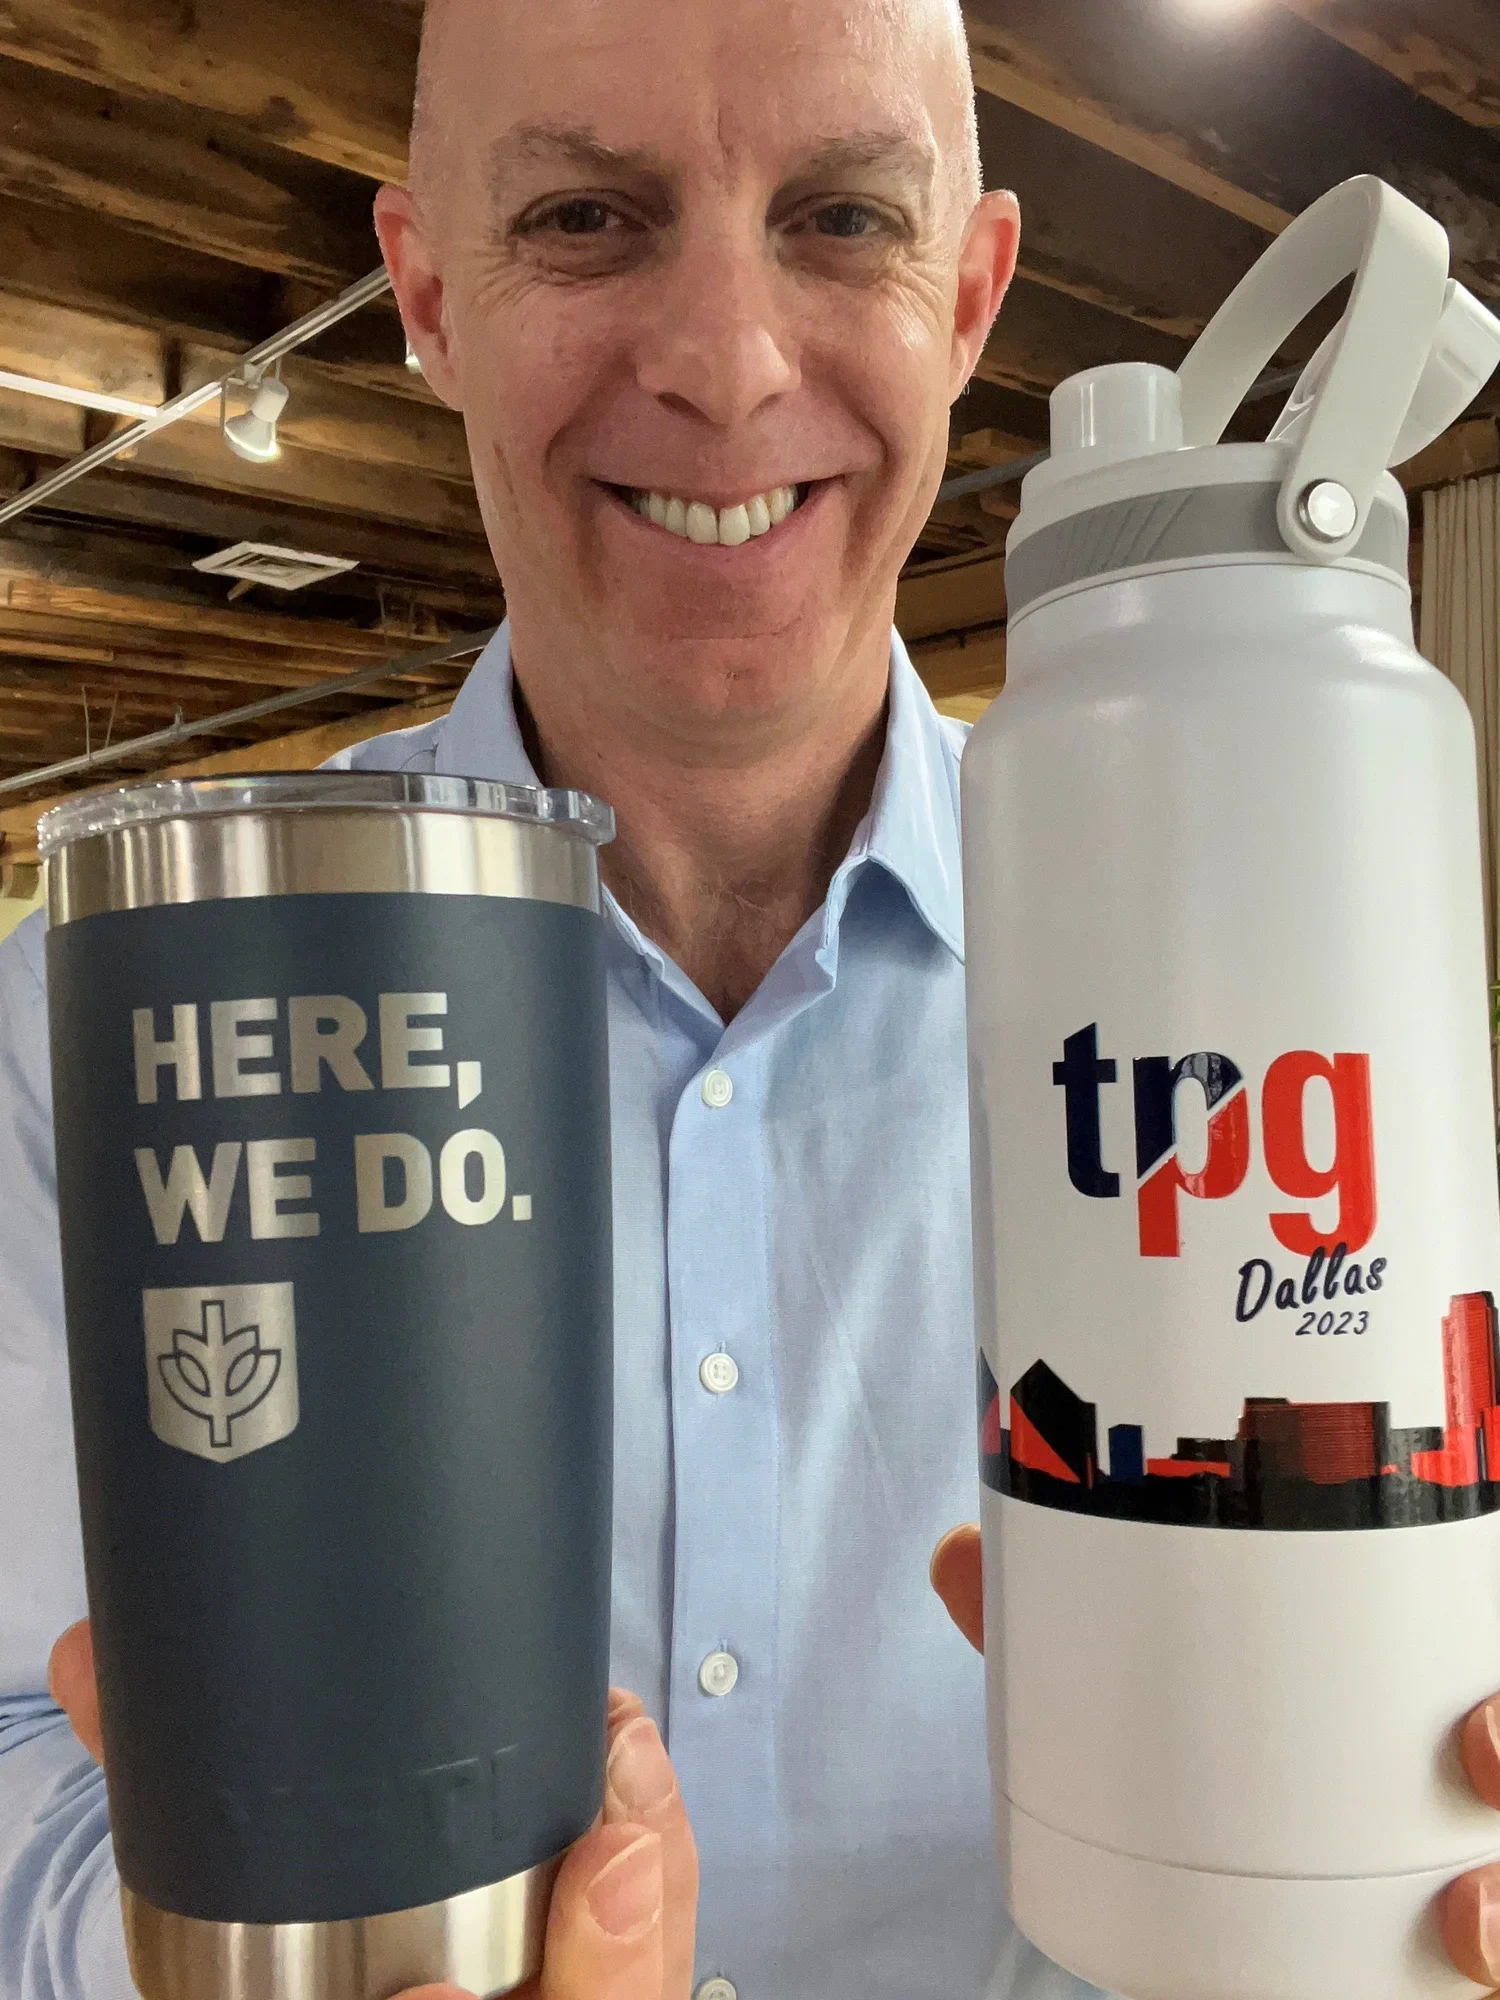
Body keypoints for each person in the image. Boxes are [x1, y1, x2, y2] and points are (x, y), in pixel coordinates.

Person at [6, 2, 1500, 1996]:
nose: (724, 363)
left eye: (843, 216)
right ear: (430, 295)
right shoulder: (96, 1031)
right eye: (590, 216)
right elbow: (25, 1738)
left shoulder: (1291, 1031)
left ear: (970, 294)